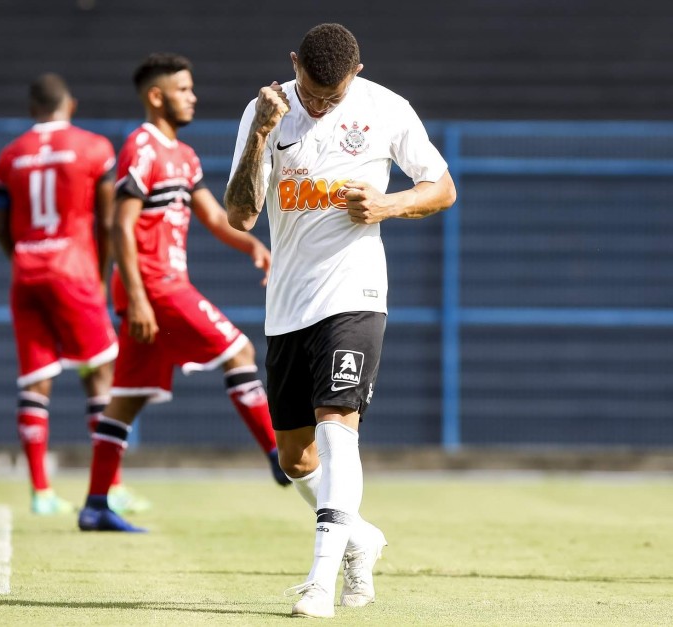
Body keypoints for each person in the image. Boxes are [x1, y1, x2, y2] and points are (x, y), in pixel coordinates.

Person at [224, 23, 457, 618]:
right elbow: (241, 215)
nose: (324, 104)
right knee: (297, 459)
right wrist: (261, 134)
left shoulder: (385, 108)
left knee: (338, 421)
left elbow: (442, 187)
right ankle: (362, 538)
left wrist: (390, 204)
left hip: (356, 294)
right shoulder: (264, 112)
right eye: (313, 91)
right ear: (293, 64)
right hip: (288, 305)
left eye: (335, 94)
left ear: (357, 72)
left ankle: (320, 581)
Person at [77, 52, 289, 533]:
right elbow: (119, 227)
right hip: (155, 285)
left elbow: (215, 217)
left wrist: (253, 245)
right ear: (157, 96)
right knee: (240, 350)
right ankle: (278, 454)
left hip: (156, 288)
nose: (193, 97)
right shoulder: (142, 147)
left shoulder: (184, 156)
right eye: (184, 89)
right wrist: (136, 296)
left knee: (126, 399)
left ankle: (94, 504)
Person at [0, 73, 149, 517]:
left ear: (31, 110)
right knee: (100, 373)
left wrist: (25, 259)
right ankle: (111, 486)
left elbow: (0, 229)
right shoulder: (95, 147)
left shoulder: (9, 156)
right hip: (74, 272)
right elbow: (106, 222)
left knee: (35, 380)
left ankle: (41, 492)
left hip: (27, 272)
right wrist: (101, 277)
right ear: (71, 105)